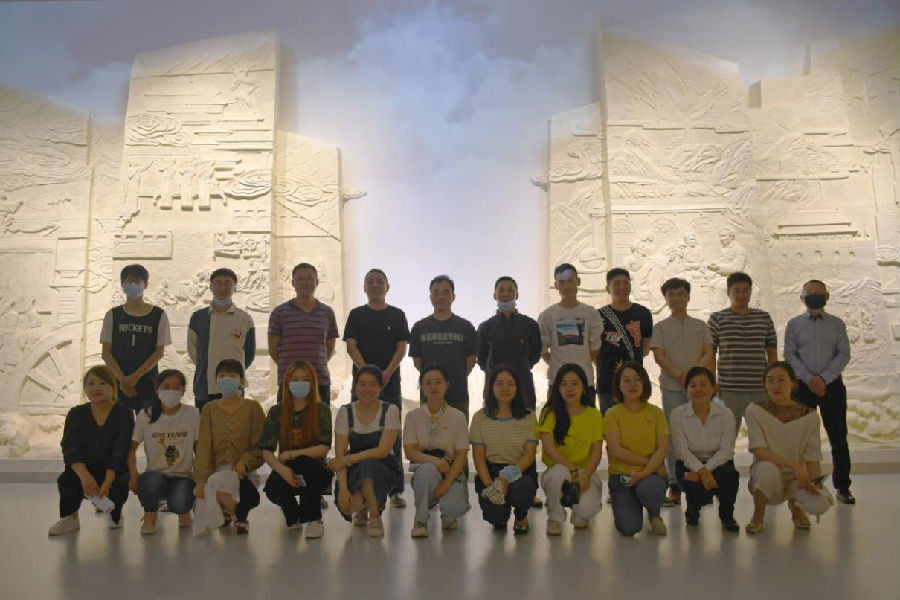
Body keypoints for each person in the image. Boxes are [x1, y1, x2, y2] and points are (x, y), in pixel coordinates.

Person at [784, 279, 854, 505]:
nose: (814, 296)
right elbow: (790, 354)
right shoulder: (794, 324)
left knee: (838, 437)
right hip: (802, 387)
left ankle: (843, 487)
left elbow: (843, 354)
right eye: (809, 293)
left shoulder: (837, 324)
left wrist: (823, 379)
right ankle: (800, 485)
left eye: (818, 292)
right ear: (802, 298)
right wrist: (809, 379)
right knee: (801, 438)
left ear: (827, 296)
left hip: (832, 386)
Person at [343, 268, 409, 507]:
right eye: (370, 281)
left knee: (392, 433)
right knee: (359, 432)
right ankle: (359, 485)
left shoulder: (397, 315)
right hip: (362, 385)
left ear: (387, 287)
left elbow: (402, 347)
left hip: (389, 382)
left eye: (379, 281)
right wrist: (367, 374)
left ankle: (395, 490)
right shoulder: (356, 315)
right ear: (364, 288)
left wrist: (386, 373)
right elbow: (351, 345)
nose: (375, 285)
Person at [650, 277, 714, 506]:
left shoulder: (701, 326)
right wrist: (679, 375)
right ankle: (674, 484)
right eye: (671, 295)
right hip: (672, 388)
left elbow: (708, 352)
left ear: (688, 296)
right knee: (673, 435)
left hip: (698, 390)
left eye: (680, 294)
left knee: (699, 434)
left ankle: (701, 482)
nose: (676, 299)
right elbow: (659, 356)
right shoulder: (660, 327)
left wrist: (694, 375)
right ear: (666, 299)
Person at [49, 365, 134, 535]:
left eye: (102, 383)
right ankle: (70, 518)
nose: (96, 388)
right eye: (91, 384)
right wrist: (85, 477)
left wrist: (107, 481)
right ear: (85, 388)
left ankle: (115, 513)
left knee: (121, 482)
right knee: (67, 480)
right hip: (84, 469)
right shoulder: (76, 414)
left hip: (113, 470)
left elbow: (120, 449)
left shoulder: (124, 414)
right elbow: (70, 447)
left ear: (113, 387)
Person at [745, 362, 825, 534]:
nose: (776, 386)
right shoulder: (755, 410)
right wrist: (794, 465)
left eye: (781, 380)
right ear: (764, 385)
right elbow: (760, 451)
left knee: (820, 503)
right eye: (770, 381)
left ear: (793, 383)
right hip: (768, 473)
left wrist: (816, 484)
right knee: (767, 469)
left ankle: (797, 509)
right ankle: (758, 515)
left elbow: (812, 456)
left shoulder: (809, 416)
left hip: (797, 477)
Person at [259, 360, 333, 539]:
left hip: (315, 469)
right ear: (287, 383)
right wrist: (282, 470)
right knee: (272, 488)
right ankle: (293, 514)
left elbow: (323, 448)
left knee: (306, 466)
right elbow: (266, 450)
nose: (300, 383)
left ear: (313, 383)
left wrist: (293, 453)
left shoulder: (321, 410)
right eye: (295, 379)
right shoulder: (276, 411)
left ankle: (314, 519)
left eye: (305, 379)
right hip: (287, 468)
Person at [192, 359, 265, 535]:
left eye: (232, 376)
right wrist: (201, 479)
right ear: (215, 380)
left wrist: (245, 461)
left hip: (243, 472)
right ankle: (234, 512)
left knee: (219, 486)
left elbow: (261, 445)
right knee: (207, 490)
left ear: (241, 380)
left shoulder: (253, 408)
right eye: (222, 376)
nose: (227, 379)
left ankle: (231, 508)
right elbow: (203, 447)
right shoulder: (209, 409)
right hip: (215, 471)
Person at [329, 365, 402, 538]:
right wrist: (343, 489)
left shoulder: (390, 410)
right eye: (362, 384)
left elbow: (382, 452)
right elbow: (340, 455)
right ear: (355, 387)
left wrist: (348, 459)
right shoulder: (345, 412)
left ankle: (375, 517)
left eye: (373, 384)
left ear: (381, 387)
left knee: (369, 466)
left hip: (385, 468)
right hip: (354, 468)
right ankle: (362, 508)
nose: (367, 389)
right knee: (350, 503)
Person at [128, 369, 200, 534]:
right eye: (166, 387)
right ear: (157, 390)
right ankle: (150, 515)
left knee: (180, 502)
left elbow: (198, 446)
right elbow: (132, 448)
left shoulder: (193, 414)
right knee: (151, 484)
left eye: (176, 387)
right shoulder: (146, 414)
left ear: (183, 391)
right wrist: (133, 474)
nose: (171, 391)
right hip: (155, 474)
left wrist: (200, 475)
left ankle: (184, 512)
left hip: (182, 475)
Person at [536, 363, 604, 536]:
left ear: (583, 387)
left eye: (575, 383)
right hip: (559, 470)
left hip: (584, 472)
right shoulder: (549, 413)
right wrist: (571, 469)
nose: (569, 389)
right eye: (564, 384)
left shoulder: (594, 415)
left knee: (585, 514)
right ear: (557, 388)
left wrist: (585, 476)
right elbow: (549, 447)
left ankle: (579, 512)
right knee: (559, 473)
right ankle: (555, 516)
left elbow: (597, 451)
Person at [403, 364, 470, 538]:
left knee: (452, 513)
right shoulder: (413, 416)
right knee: (428, 470)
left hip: (451, 469)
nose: (433, 387)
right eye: (428, 383)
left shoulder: (458, 416)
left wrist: (447, 482)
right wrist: (436, 461)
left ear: (446, 385)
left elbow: (461, 454)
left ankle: (447, 511)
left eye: (438, 382)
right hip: (425, 468)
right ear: (421, 386)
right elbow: (410, 452)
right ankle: (421, 520)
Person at [470, 365, 538, 534]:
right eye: (499, 384)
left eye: (510, 384)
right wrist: (491, 485)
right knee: (496, 518)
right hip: (490, 472)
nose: (505, 388)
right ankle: (500, 515)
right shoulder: (480, 417)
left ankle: (521, 516)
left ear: (517, 387)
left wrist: (505, 478)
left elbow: (529, 456)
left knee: (523, 490)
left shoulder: (529, 416)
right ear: (491, 387)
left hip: (520, 471)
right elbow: (478, 457)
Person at [669, 367, 739, 531]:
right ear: (686, 389)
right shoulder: (677, 414)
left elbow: (726, 451)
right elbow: (682, 451)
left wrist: (704, 471)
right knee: (693, 484)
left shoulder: (726, 414)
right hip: (688, 464)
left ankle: (727, 516)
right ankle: (693, 510)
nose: (698, 389)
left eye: (703, 384)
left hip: (718, 463)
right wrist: (701, 471)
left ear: (714, 388)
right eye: (693, 385)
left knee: (728, 476)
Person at [604, 361, 669, 536]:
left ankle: (654, 514)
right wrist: (650, 464)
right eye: (626, 380)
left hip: (650, 475)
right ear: (619, 385)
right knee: (629, 528)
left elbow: (662, 449)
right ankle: (626, 501)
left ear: (645, 383)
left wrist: (645, 472)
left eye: (637, 379)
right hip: (622, 476)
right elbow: (616, 450)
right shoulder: (612, 414)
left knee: (651, 489)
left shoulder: (656, 413)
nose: (632, 384)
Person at [707, 271, 777, 434]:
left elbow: (772, 353)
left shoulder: (764, 318)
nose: (741, 295)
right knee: (725, 436)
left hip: (759, 388)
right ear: (728, 292)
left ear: (751, 292)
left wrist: (771, 382)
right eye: (736, 290)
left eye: (746, 290)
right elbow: (710, 353)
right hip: (728, 389)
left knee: (763, 435)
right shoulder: (717, 318)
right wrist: (712, 381)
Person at [100, 264, 172, 414]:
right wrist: (123, 380)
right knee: (120, 424)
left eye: (137, 281)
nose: (133, 284)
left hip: (147, 382)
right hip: (118, 383)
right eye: (129, 281)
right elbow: (106, 353)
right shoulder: (113, 315)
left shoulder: (158, 315)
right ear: (122, 284)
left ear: (145, 284)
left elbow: (159, 352)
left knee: (147, 423)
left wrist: (134, 378)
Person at [268, 262, 339, 402]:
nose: (304, 283)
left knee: (320, 416)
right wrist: (294, 370)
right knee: (285, 417)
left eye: (309, 278)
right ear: (293, 283)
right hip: (289, 381)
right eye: (300, 279)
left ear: (317, 282)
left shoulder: (327, 313)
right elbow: (273, 350)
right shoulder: (279, 312)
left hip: (319, 380)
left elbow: (329, 349)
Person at [409, 275, 478, 417]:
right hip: (429, 395)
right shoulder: (419, 327)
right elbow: (417, 362)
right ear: (430, 297)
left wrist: (455, 377)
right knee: (428, 431)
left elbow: (471, 361)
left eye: (446, 292)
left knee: (458, 430)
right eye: (436, 292)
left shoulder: (466, 327)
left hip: (458, 395)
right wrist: (434, 381)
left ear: (453, 297)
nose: (440, 297)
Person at [188, 268, 256, 410]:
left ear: (234, 288)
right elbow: (193, 350)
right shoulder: (198, 317)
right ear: (211, 286)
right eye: (218, 283)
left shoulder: (244, 319)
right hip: (205, 387)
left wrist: (232, 373)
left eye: (227, 283)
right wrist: (206, 366)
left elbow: (249, 354)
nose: (223, 287)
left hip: (234, 386)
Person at [538, 264, 603, 400]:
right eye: (562, 282)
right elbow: (542, 348)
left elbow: (595, 348)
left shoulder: (591, 313)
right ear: (556, 285)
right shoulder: (547, 315)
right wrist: (557, 365)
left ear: (578, 281)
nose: (566, 286)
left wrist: (579, 365)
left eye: (570, 281)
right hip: (557, 381)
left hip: (585, 381)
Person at [476, 276, 541, 410]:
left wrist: (521, 367)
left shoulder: (530, 324)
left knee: (525, 420)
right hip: (494, 387)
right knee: (493, 421)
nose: (506, 294)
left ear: (517, 295)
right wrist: (494, 372)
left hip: (523, 386)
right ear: (495, 295)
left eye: (510, 290)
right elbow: (481, 358)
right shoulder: (485, 327)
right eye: (501, 290)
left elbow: (535, 354)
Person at [596, 268, 653, 415]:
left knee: (635, 424)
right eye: (616, 283)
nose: (622, 287)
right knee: (609, 424)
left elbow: (645, 348)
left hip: (635, 383)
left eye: (625, 283)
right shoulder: (598, 316)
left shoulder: (643, 313)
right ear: (607, 288)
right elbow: (594, 351)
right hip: (606, 383)